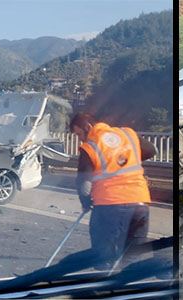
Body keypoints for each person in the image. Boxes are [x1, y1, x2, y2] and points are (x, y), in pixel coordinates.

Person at [69, 112, 157, 271]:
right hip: (140, 203)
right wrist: (125, 160)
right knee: (131, 255)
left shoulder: (90, 146)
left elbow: (83, 183)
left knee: (103, 257)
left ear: (88, 127)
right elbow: (151, 150)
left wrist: (85, 202)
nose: (80, 139)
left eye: (79, 134)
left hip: (108, 205)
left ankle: (103, 286)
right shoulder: (127, 134)